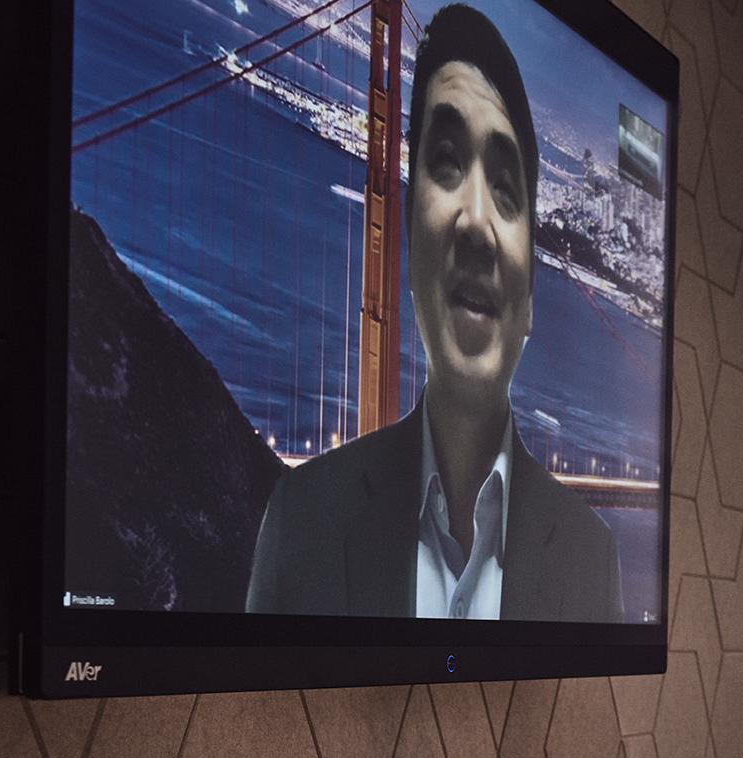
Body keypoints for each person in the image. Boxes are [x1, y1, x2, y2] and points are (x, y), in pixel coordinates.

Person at [246, 4, 621, 622]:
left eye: (507, 189)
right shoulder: (299, 524)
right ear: (408, 236)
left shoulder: (592, 560)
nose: (476, 221)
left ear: (531, 300)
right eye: (446, 161)